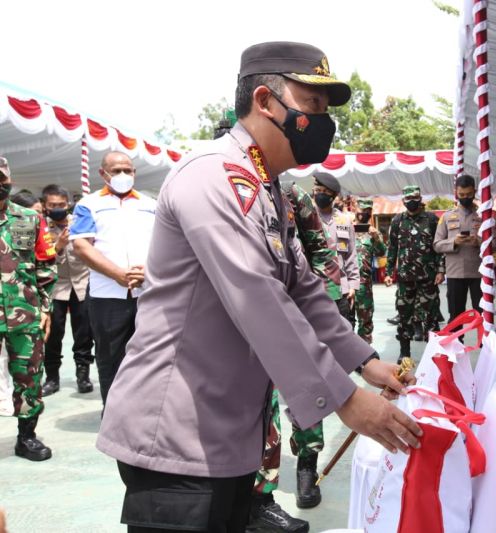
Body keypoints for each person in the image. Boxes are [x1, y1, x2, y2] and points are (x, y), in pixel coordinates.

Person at [95, 41, 421, 533]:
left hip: (225, 428)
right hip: (177, 434)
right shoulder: (212, 175)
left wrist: (365, 361)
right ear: (266, 101)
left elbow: (301, 287)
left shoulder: (265, 187)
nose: (323, 121)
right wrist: (346, 401)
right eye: (312, 105)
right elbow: (257, 295)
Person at [248, 179, 345, 532]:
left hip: (294, 310)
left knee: (307, 390)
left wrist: (318, 301)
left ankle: (307, 466)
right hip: (246, 313)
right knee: (257, 402)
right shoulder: (220, 186)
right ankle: (259, 493)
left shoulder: (289, 194)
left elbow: (321, 252)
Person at [70, 151, 156, 406]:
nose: (122, 175)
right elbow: (82, 247)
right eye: (116, 170)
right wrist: (116, 274)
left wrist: (148, 272)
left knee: (149, 356)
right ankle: (113, 414)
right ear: (103, 173)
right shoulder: (88, 204)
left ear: (134, 173)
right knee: (110, 357)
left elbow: (165, 246)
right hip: (107, 295)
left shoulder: (150, 204)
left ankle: (143, 414)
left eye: (127, 170)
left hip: (147, 292)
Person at [0, 156, 58, 461]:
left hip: (24, 314)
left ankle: (26, 438)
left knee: (29, 376)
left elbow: (44, 267)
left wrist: (45, 308)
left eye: (2, 180)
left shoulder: (27, 218)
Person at [40, 184, 94, 396]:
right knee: (53, 334)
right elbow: (39, 260)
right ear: (45, 206)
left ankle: (83, 376)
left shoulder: (80, 223)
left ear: (68, 203)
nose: (57, 208)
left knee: (84, 333)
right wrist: (59, 246)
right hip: (56, 286)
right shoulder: (41, 227)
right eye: (52, 205)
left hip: (82, 283)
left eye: (61, 204)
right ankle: (52, 378)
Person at [385, 185, 444, 361]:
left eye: (415, 198)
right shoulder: (397, 221)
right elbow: (392, 248)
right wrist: (389, 272)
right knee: (404, 316)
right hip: (405, 279)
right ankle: (405, 353)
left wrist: (441, 270)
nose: (412, 202)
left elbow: (439, 247)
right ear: (403, 201)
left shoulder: (432, 219)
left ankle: (433, 354)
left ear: (420, 198)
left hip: (428, 278)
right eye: (408, 199)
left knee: (431, 317)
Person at [313, 172, 360, 325]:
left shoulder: (344, 221)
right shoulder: (306, 218)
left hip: (341, 290)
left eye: (326, 192)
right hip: (315, 290)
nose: (321, 194)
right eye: (318, 190)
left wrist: (353, 285)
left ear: (333, 196)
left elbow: (351, 254)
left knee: (345, 334)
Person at [434, 174, 482, 323]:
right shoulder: (447, 216)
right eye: (461, 195)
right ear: (456, 193)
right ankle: (457, 345)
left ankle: (485, 345)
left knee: (482, 315)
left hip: (479, 273)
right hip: (455, 273)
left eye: (468, 194)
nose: (465, 197)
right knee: (455, 316)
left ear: (474, 191)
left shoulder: (483, 215)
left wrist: (479, 241)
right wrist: (454, 242)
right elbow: (436, 244)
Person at [353, 198, 386, 344]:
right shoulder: (345, 228)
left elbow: (381, 253)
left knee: (365, 322)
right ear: (356, 209)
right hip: (346, 283)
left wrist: (376, 238)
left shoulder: (374, 233)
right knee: (345, 321)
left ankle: (364, 357)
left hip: (364, 284)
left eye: (367, 211)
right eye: (362, 210)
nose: (364, 213)